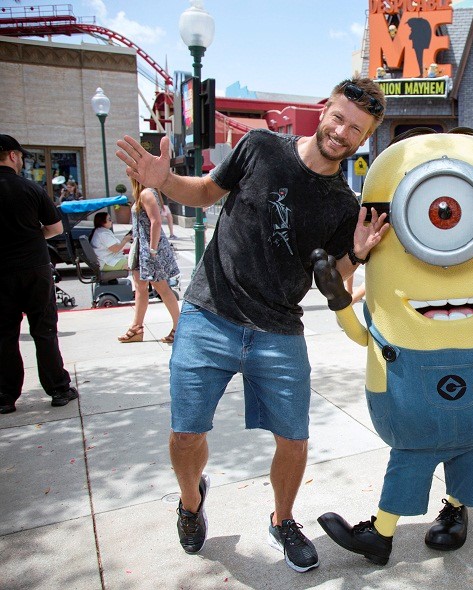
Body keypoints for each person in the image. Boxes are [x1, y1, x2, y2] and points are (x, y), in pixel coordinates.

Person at [115, 77, 389, 571]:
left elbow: (329, 274)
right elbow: (202, 193)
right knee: (185, 434)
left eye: (355, 128)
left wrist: (357, 253)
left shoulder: (344, 205)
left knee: (294, 440)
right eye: (338, 117)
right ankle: (191, 502)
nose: (341, 131)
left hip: (279, 330)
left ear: (364, 137)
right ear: (324, 108)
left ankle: (282, 520)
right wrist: (163, 181)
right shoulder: (260, 147)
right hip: (208, 315)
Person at [0, 134, 79, 414]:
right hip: (34, 267)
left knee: (5, 335)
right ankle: (58, 389)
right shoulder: (30, 189)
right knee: (44, 330)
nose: (21, 160)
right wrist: (33, 236)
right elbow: (56, 228)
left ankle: (6, 395)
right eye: (20, 156)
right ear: (12, 156)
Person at [117, 179, 181, 344]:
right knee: (140, 287)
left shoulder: (147, 193)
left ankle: (179, 327)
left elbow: (156, 222)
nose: (129, 173)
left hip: (150, 248)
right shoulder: (144, 193)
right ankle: (136, 328)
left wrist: (152, 250)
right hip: (142, 247)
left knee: (161, 287)